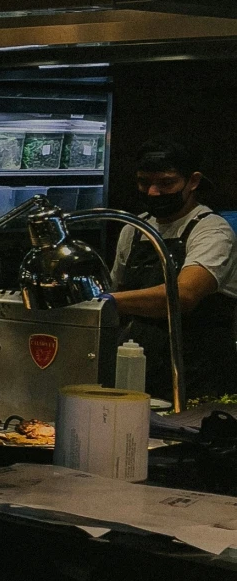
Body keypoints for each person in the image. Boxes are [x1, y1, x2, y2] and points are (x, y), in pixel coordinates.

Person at [110, 139, 237, 402]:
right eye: (145, 182)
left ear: (193, 181)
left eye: (166, 183)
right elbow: (117, 288)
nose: (153, 193)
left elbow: (184, 294)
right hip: (138, 371)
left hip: (197, 378)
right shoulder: (133, 229)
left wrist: (108, 301)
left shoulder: (211, 229)